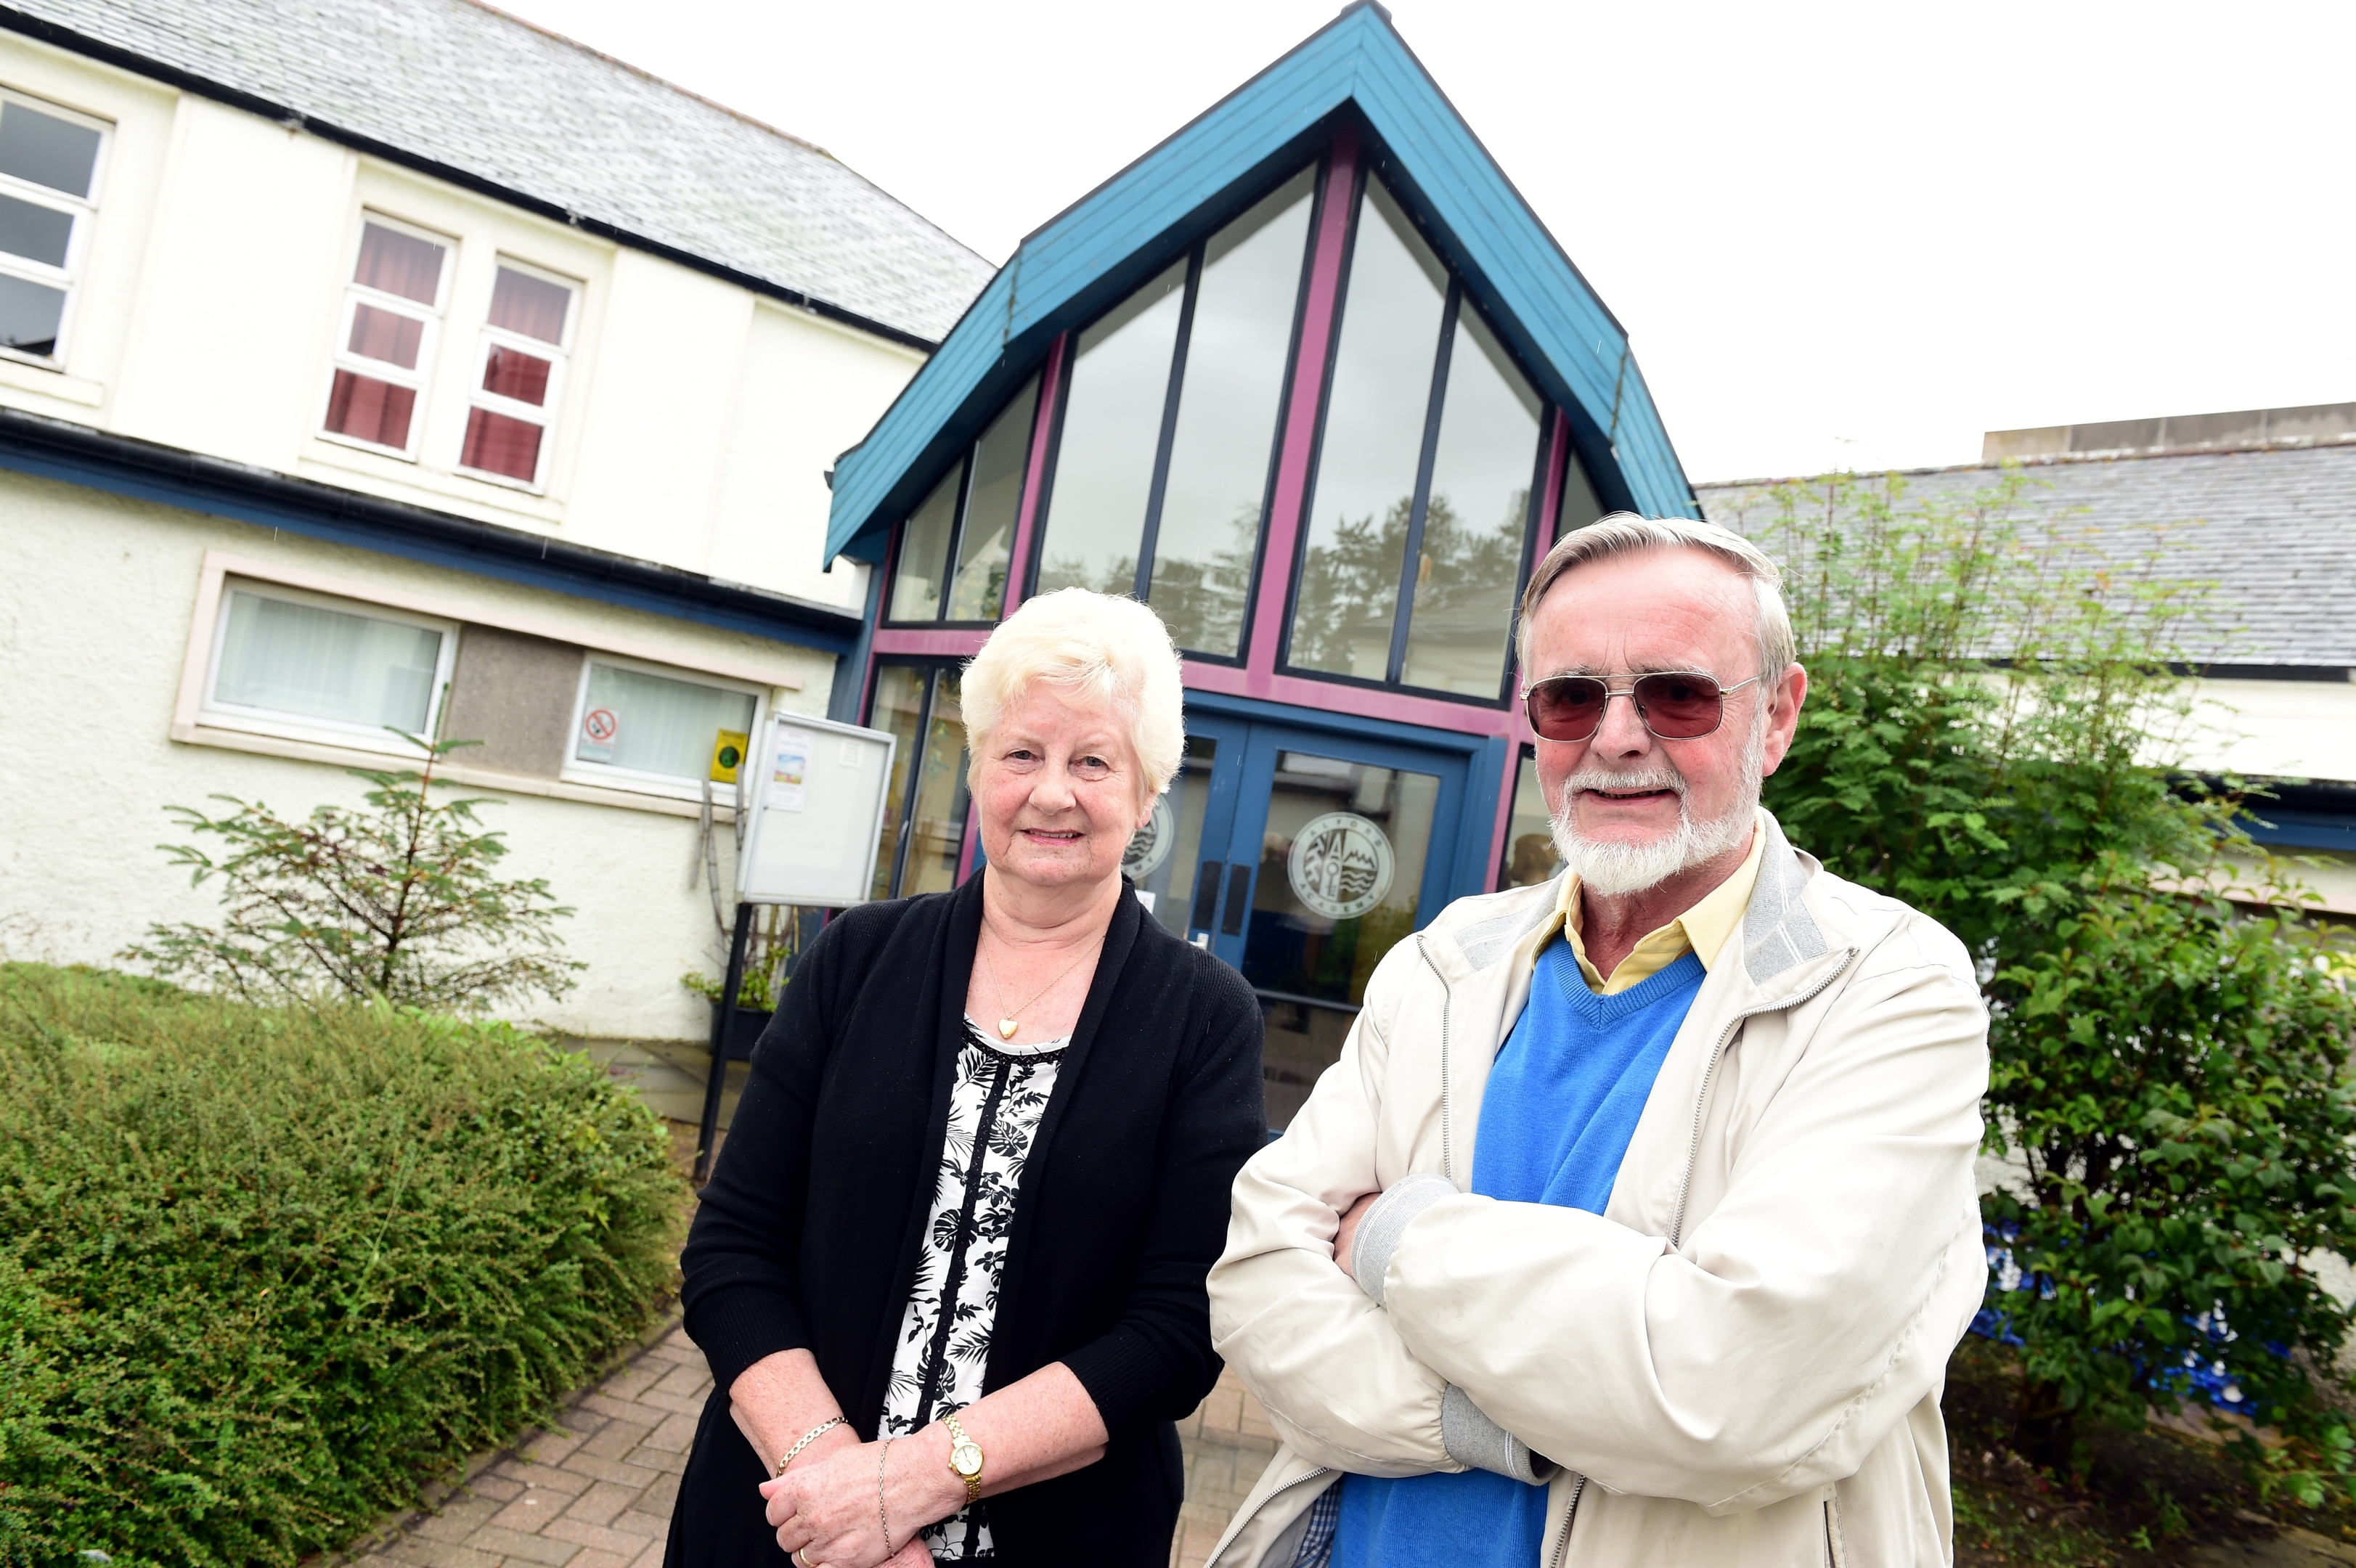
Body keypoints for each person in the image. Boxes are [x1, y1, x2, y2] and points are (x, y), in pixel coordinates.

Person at [1205, 516, 1989, 1567]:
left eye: (1677, 694)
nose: (1616, 738)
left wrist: (1391, 1240)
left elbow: (1728, 1390)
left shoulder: (1887, 988)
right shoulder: (1446, 962)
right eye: (1571, 697)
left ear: (1776, 718)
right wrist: (1502, 1419)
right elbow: (1257, 1279)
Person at [669, 587, 1265, 1567]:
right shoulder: (853, 961)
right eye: (1022, 753)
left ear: (1148, 791)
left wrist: (910, 1485)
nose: (1051, 792)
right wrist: (837, 1488)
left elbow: (1178, 1327)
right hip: (787, 1522)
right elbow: (733, 1250)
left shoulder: (1202, 1017)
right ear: (977, 766)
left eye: (1093, 762)